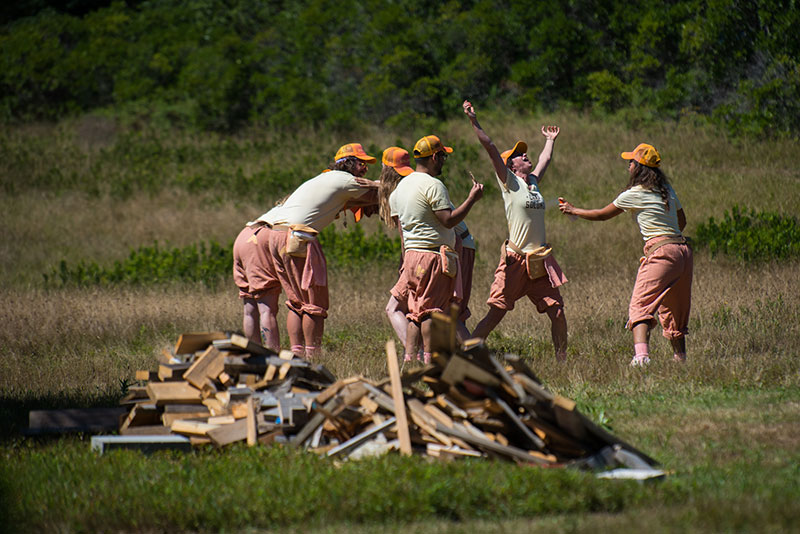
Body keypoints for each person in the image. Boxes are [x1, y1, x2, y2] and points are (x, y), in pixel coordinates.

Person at [558, 143, 692, 366]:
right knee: (674, 308)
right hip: (683, 251)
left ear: (639, 168)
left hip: (661, 252)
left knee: (640, 305)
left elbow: (602, 215)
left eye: (631, 162)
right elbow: (682, 222)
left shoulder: (635, 194)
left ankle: (641, 358)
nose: (628, 165)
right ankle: (680, 359)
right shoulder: (667, 189)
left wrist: (574, 211)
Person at [463, 99, 568, 361]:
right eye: (519, 155)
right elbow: (490, 147)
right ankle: (469, 354)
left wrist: (550, 140)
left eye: (524, 153)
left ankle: (562, 360)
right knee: (496, 313)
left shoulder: (532, 182)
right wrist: (474, 121)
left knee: (557, 311)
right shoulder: (509, 183)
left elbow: (545, 159)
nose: (525, 155)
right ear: (511, 165)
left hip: (539, 261)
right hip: (515, 260)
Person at [254, 143, 379, 359]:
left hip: (276, 235)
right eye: (361, 163)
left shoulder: (324, 178)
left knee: (295, 301)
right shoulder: (345, 180)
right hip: (299, 236)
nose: (364, 168)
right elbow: (378, 191)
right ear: (347, 163)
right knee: (313, 303)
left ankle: (296, 354)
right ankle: (314, 356)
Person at [388, 135, 484, 363]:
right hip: (432, 257)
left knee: (413, 311)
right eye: (442, 156)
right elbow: (448, 220)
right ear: (434, 157)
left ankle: (410, 358)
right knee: (431, 311)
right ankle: (430, 360)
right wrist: (472, 199)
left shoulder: (400, 188)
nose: (444, 161)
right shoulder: (434, 185)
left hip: (411, 257)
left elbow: (402, 232)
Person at [232, 219, 281, 351]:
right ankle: (272, 354)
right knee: (267, 310)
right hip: (257, 241)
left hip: (243, 236)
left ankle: (254, 352)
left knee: (249, 310)